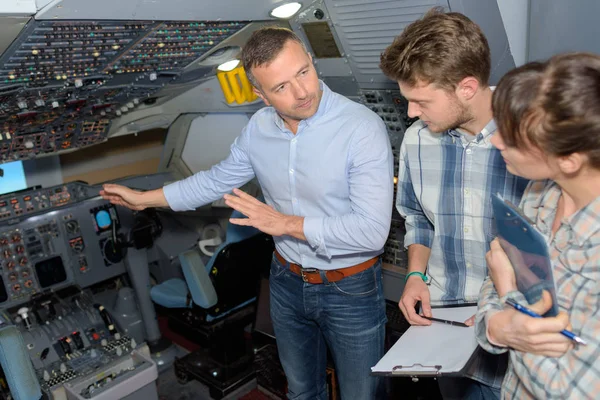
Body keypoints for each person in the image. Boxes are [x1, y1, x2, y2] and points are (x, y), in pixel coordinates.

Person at [101, 27, 393, 399]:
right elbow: (215, 181)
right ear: (260, 95)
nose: (302, 92)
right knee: (302, 391)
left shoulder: (361, 128)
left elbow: (371, 232)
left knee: (362, 396)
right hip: (287, 281)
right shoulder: (258, 129)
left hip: (350, 286)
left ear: (311, 61)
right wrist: (144, 199)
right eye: (282, 86)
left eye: (304, 72)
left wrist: (283, 223)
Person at [379, 8, 528, 400]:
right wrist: (415, 276)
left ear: (466, 87)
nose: (411, 111)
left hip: (518, 337)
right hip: (445, 330)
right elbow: (417, 219)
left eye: (421, 101)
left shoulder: (531, 139)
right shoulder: (416, 139)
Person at [475, 52, 600, 399]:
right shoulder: (540, 190)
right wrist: (498, 327)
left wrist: (507, 297)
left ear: (569, 160)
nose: (497, 141)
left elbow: (567, 390)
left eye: (512, 139)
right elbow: (498, 273)